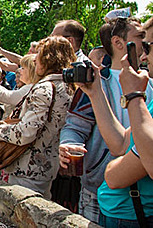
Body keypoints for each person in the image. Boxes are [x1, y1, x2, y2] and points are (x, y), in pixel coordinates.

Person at [60, 17, 153, 223]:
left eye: (148, 42)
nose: (145, 49)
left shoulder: (147, 85)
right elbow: (77, 127)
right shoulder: (95, 81)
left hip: (141, 204)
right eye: (141, 39)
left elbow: (120, 159)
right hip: (101, 192)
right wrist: (69, 144)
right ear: (118, 43)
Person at [0, 36, 75, 198]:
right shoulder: (67, 87)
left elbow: (25, 133)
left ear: (48, 60)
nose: (35, 62)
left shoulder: (44, 89)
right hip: (46, 168)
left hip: (27, 170)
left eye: (38, 57)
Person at [100, 38, 153, 227]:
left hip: (135, 215)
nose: (144, 56)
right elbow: (121, 143)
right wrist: (94, 91)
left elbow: (115, 178)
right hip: (119, 211)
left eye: (148, 47)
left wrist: (134, 95)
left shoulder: (139, 93)